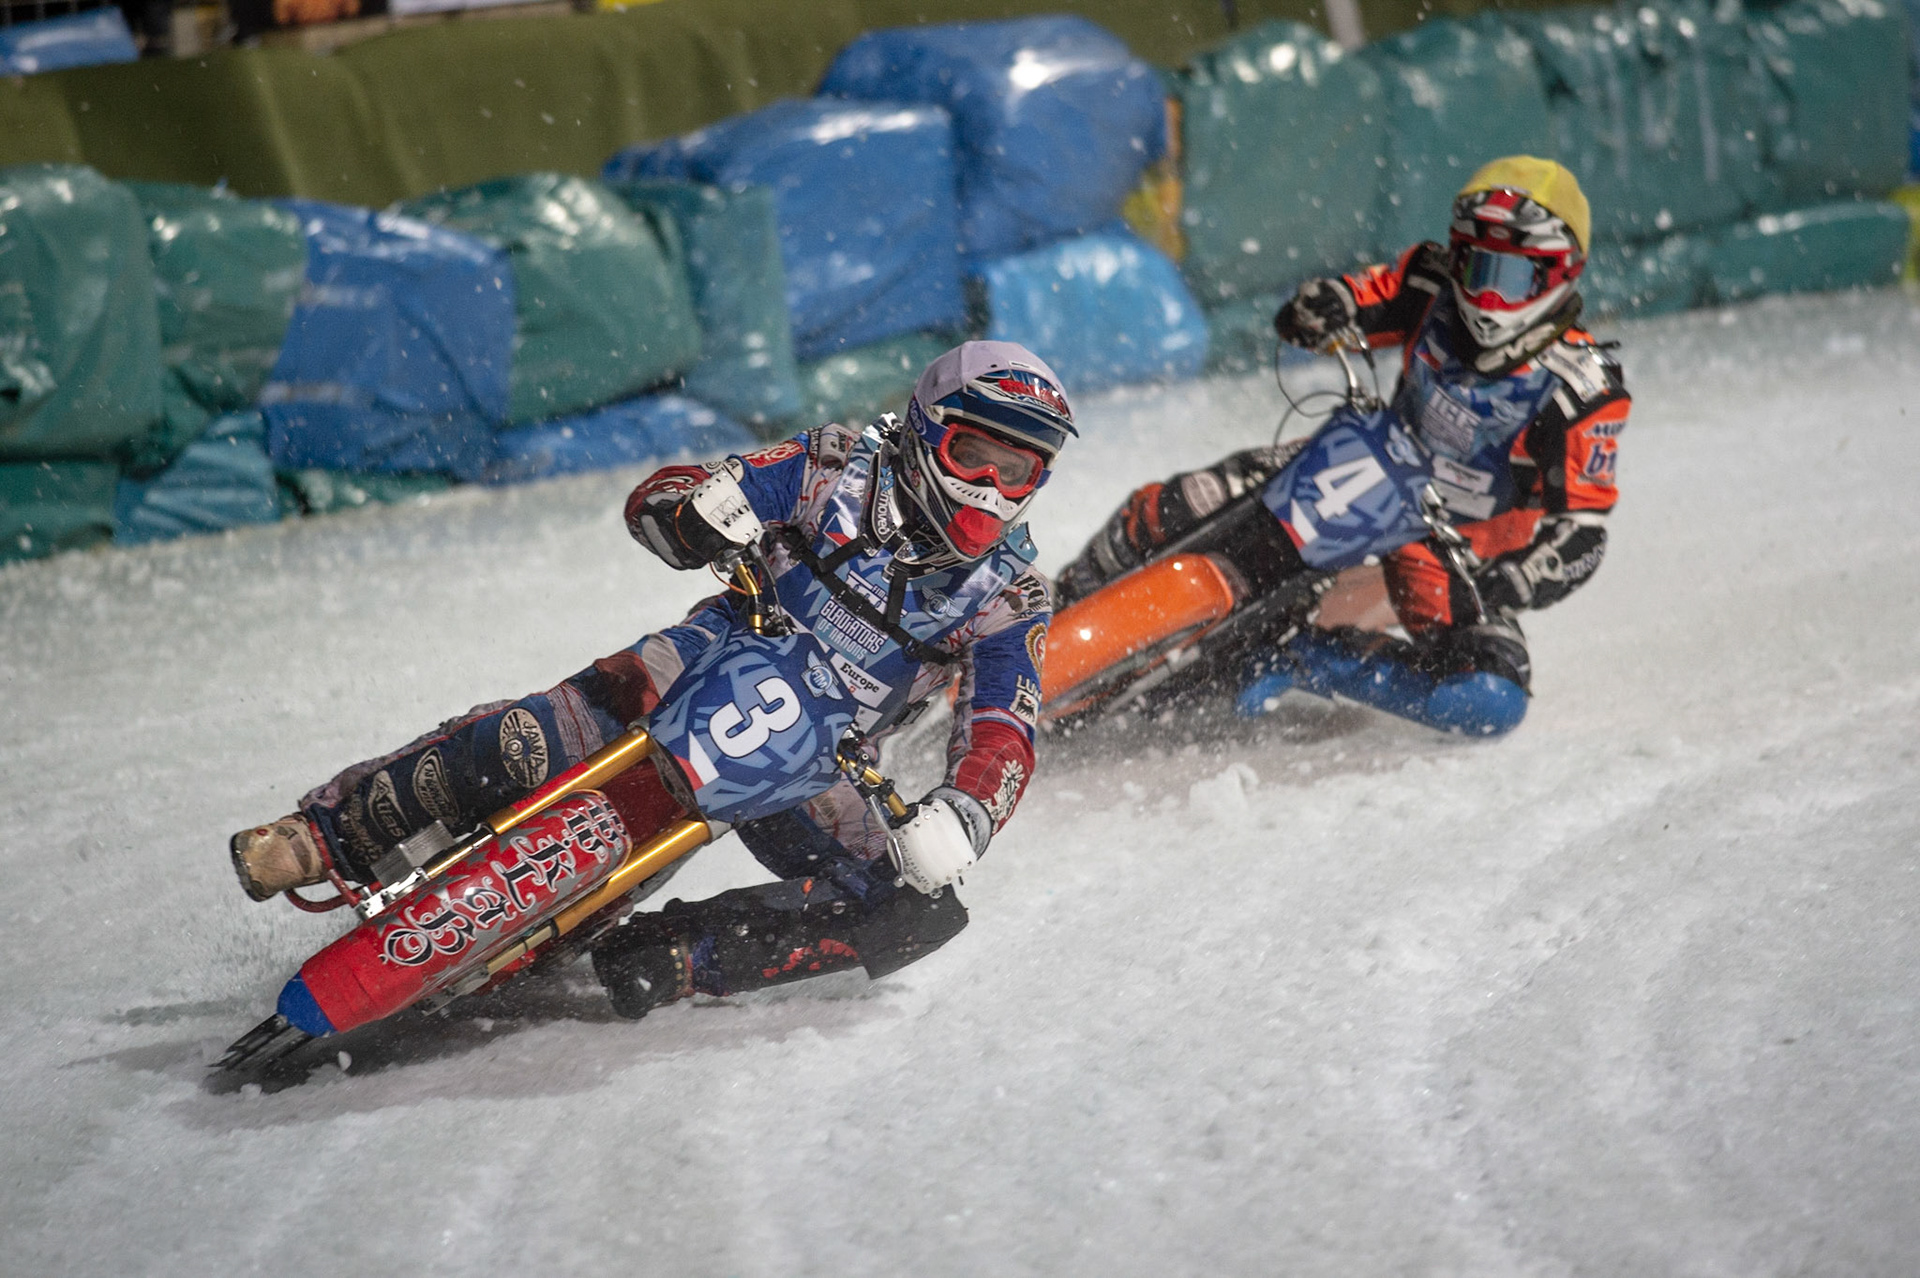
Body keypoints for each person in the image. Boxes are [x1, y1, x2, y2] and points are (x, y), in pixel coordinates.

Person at [228, 340, 1073, 1019]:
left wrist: (967, 813)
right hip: (700, 661)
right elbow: (670, 497)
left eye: (1018, 471)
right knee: (526, 741)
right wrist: (696, 513)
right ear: (925, 431)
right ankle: (326, 835)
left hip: (822, 763)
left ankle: (672, 956)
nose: (990, 489)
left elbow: (1004, 729)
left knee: (915, 905)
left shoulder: (1011, 597)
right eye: (974, 455)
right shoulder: (833, 468)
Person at [1053, 157, 1628, 734]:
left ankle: (1295, 656)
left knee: (1488, 696)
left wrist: (1517, 579)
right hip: (1366, 461)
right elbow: (1357, 297)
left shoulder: (1583, 388)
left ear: (1559, 275)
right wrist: (1321, 307)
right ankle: (1059, 603)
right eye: (1477, 266)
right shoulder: (1431, 279)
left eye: (1512, 277)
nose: (1487, 296)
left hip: (1456, 545)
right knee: (1178, 503)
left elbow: (1583, 530)